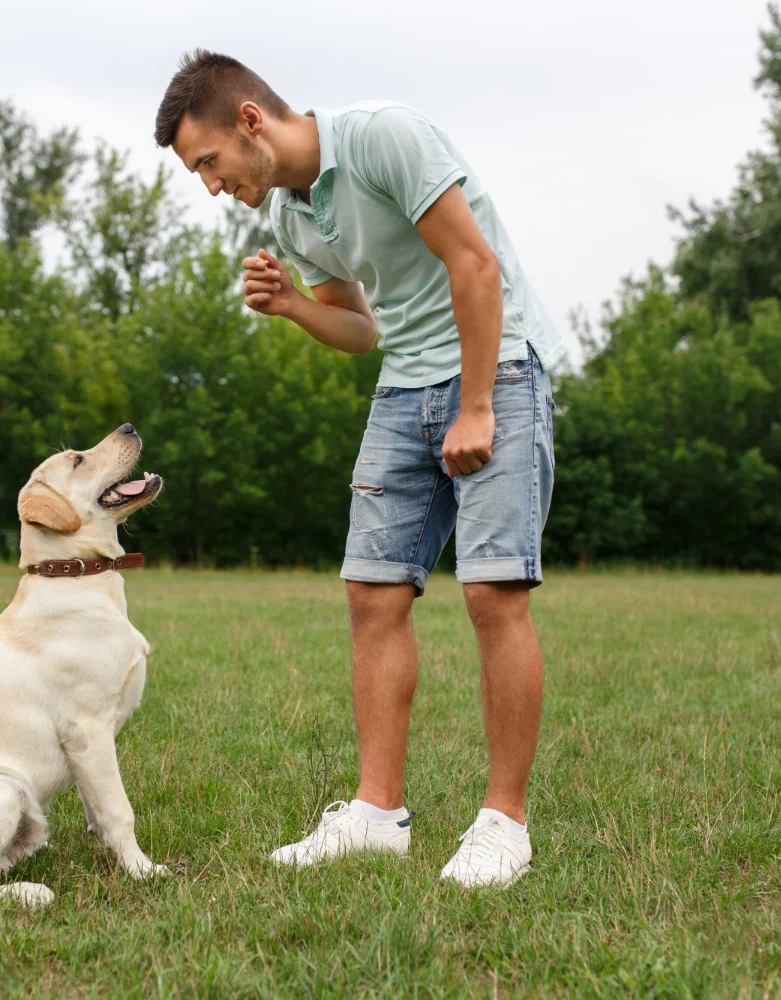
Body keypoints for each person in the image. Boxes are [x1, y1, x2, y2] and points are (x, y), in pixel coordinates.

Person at [154, 50, 566, 888]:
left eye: (207, 163)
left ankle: (503, 825)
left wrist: (478, 406)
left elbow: (475, 266)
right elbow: (361, 331)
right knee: (372, 593)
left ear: (248, 121)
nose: (209, 185)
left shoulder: (383, 138)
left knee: (492, 591)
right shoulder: (291, 219)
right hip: (404, 384)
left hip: (499, 369)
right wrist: (294, 307)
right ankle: (378, 815)